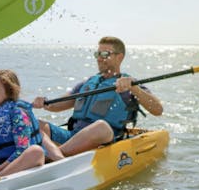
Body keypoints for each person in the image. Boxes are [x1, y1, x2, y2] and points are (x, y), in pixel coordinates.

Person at [33, 36, 163, 156]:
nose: (99, 58)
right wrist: (45, 103)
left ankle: (54, 156)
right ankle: (51, 155)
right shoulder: (88, 83)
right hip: (72, 137)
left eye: (105, 54)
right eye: (98, 54)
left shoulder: (129, 83)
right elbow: (57, 105)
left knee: (101, 126)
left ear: (120, 57)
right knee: (35, 124)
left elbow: (157, 110)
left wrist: (134, 89)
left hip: (104, 138)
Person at [0, 70, 63, 177]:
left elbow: (22, 150)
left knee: (36, 151)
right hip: (1, 162)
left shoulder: (17, 112)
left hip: (24, 161)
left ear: (9, 91)